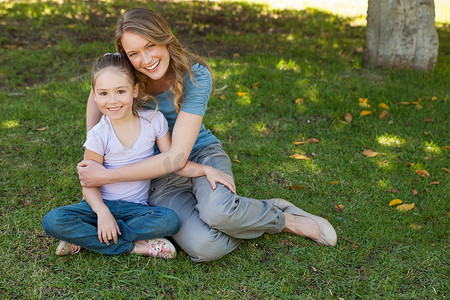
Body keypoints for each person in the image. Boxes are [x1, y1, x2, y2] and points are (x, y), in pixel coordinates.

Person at [77, 8, 337, 262]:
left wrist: (107, 175)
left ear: (165, 38)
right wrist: (95, 142)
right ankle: (243, 213)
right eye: (134, 53)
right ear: (125, 56)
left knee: (219, 214)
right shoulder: (124, 71)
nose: (145, 60)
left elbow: (178, 156)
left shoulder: (195, 74)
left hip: (199, 155)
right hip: (153, 171)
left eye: (150, 46)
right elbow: (96, 92)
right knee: (206, 246)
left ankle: (284, 218)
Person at [43, 53, 235, 258]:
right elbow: (89, 182)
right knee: (53, 221)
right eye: (104, 93)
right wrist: (102, 213)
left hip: (137, 209)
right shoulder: (98, 134)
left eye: (120, 91)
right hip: (98, 206)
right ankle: (136, 246)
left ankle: (86, 237)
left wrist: (205, 169)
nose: (113, 100)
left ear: (134, 91)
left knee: (169, 220)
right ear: (95, 96)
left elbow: (173, 160)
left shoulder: (154, 121)